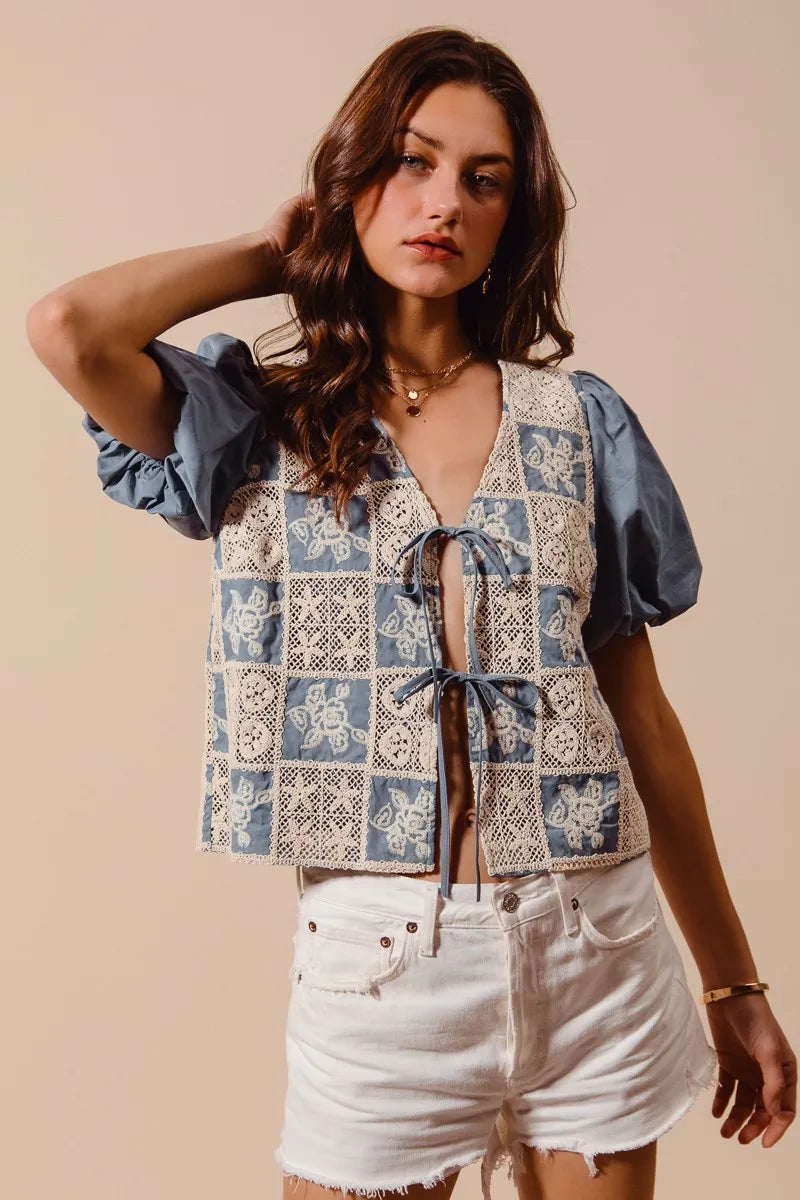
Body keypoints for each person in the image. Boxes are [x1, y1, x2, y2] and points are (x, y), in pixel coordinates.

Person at [27, 25, 795, 1200]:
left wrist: (733, 984)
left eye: (482, 181)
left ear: (511, 220)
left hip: (595, 938)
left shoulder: (577, 422)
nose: (441, 202)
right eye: (408, 161)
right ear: (349, 182)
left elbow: (645, 727)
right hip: (382, 966)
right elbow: (68, 328)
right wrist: (277, 251)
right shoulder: (250, 424)